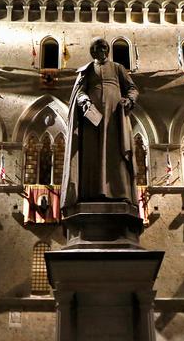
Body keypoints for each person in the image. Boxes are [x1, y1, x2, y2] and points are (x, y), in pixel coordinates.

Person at [60, 38, 139, 212]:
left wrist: (130, 100)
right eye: (98, 48)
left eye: (104, 47)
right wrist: (84, 100)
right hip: (92, 120)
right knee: (91, 154)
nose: (102, 50)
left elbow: (132, 88)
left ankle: (119, 193)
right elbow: (79, 92)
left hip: (114, 118)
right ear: (92, 51)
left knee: (115, 153)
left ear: (108, 50)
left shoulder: (118, 68)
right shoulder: (87, 70)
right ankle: (90, 192)